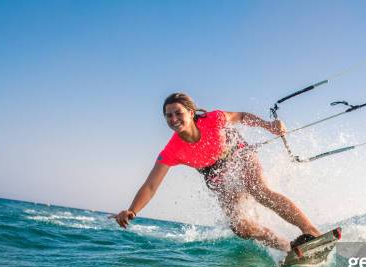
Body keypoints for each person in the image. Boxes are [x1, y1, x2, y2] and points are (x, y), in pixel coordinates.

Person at [111, 92, 321, 251]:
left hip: (239, 156)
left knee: (259, 192)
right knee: (240, 227)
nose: (173, 119)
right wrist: (133, 210)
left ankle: (311, 232)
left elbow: (241, 116)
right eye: (168, 116)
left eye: (178, 113)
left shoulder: (213, 119)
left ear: (191, 113)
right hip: (216, 176)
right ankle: (287, 248)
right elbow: (150, 185)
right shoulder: (171, 150)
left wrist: (268, 126)